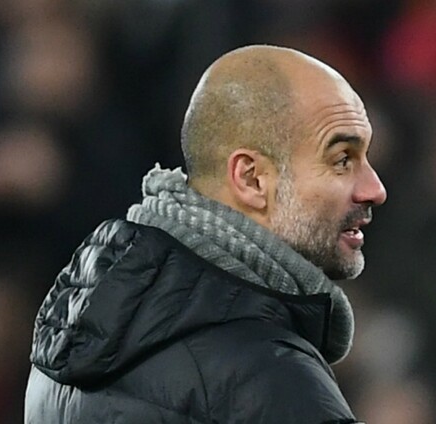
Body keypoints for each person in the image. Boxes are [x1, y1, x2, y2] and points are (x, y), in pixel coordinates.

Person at [24, 44, 387, 423]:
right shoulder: (267, 379)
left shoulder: (65, 350)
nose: (375, 189)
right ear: (251, 179)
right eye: (342, 160)